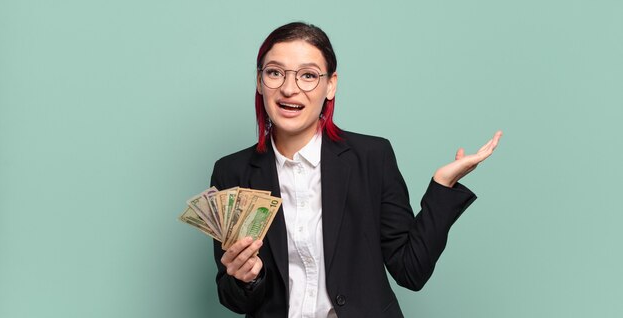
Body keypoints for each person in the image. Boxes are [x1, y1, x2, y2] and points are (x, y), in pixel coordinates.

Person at [210, 22, 502, 318]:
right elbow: (233, 298)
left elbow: (411, 271)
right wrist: (246, 278)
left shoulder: (372, 158)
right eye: (274, 72)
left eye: (308, 75)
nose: (289, 88)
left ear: (331, 84)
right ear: (260, 81)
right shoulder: (232, 173)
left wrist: (442, 186)